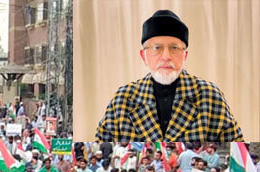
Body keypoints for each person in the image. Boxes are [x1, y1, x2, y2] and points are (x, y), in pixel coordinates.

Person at [95, 9, 242, 142]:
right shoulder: (122, 98)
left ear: (185, 55)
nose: (166, 56)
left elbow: (235, 141)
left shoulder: (210, 96)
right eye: (157, 48)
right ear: (144, 56)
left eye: (174, 48)